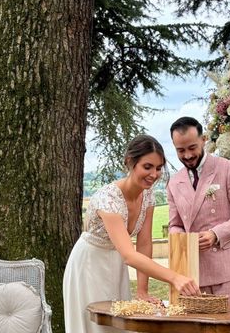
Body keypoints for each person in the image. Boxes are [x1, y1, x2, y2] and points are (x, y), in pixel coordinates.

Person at [63, 134, 199, 333]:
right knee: (95, 327)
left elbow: (144, 244)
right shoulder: (107, 199)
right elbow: (129, 254)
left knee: (120, 326)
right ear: (130, 162)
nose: (153, 174)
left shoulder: (148, 195)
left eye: (159, 168)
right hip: (89, 266)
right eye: (147, 166)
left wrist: (142, 290)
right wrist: (174, 278)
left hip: (117, 264)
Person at [167, 116, 230, 304]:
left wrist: (215, 234)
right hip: (193, 273)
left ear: (204, 139)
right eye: (180, 150)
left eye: (192, 147)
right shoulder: (174, 182)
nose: (188, 155)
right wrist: (185, 240)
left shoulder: (228, 168)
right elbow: (175, 225)